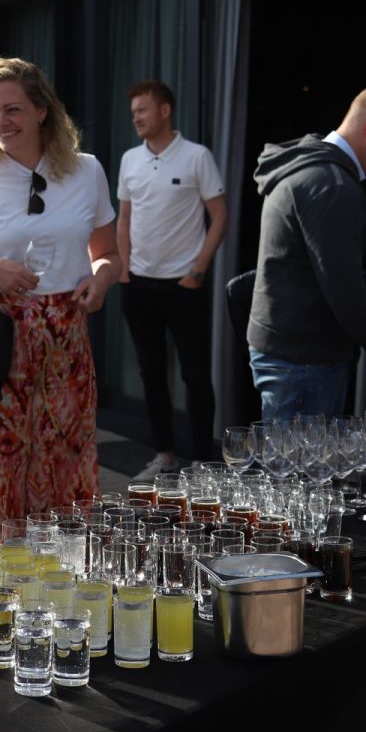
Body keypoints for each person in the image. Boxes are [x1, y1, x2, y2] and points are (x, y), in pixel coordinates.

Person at [0, 58, 119, 551]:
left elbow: (109, 256)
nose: (0, 123)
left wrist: (99, 282)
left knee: (65, 489)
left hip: (66, 348)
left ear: (41, 111)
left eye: (12, 110)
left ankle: (60, 610)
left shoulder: (87, 172)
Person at [246, 80, 366, 421]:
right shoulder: (330, 186)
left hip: (290, 352)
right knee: (300, 473)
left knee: (291, 469)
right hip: (303, 360)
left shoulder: (313, 169)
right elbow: (347, 292)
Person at [116, 80, 227, 477]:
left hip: (184, 286)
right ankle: (164, 454)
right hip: (139, 284)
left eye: (143, 111)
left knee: (195, 374)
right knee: (151, 373)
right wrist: (124, 269)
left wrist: (198, 270)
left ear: (165, 111)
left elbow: (220, 215)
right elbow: (124, 217)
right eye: (133, 114)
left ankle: (199, 460)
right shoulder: (130, 159)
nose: (137, 119)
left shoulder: (196, 157)